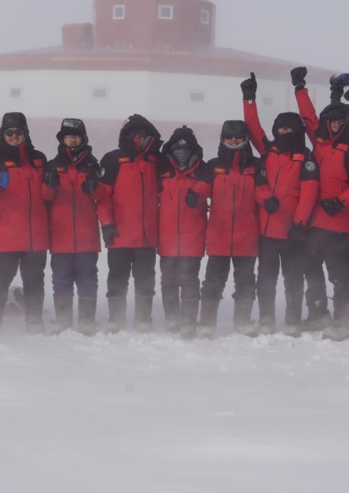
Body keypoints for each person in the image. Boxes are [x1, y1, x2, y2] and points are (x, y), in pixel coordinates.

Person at [295, 71, 349, 340]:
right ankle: (318, 315)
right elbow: (309, 117)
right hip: (314, 224)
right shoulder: (319, 143)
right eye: (332, 121)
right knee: (311, 271)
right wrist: (299, 88)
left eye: (341, 121)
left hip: (337, 223)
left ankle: (344, 320)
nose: (335, 124)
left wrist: (340, 202)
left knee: (340, 276)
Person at [242, 72, 320, 336]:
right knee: (265, 280)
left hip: (293, 233)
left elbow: (309, 192)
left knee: (294, 280)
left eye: (289, 130)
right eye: (280, 129)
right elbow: (254, 129)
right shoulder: (268, 153)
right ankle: (266, 320)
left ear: (298, 132)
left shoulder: (306, 157)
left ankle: (292, 321)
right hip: (266, 233)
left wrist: (299, 223)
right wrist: (249, 99)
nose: (284, 133)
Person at [0, 112, 53, 337]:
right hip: (6, 235)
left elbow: (47, 196)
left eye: (18, 132)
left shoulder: (39, 159)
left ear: (25, 133)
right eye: (9, 132)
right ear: (3, 134)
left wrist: (50, 185)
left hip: (35, 236)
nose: (14, 136)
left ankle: (34, 321)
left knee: (35, 281)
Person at [198, 120, 269, 338]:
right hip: (218, 235)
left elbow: (262, 189)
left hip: (246, 235)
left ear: (245, 138)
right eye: (229, 136)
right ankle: (207, 323)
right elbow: (203, 187)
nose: (234, 140)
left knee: (245, 281)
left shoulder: (255, 166)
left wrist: (268, 199)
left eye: (238, 136)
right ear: (223, 138)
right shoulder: (213, 165)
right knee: (213, 280)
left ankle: (242, 321)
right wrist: (195, 195)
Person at [97, 114, 163, 333]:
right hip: (119, 234)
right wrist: (107, 223)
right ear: (125, 136)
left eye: (142, 134)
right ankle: (116, 319)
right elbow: (103, 197)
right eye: (133, 134)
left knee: (146, 279)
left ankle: (143, 318)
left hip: (147, 236)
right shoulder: (112, 159)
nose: (138, 138)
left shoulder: (156, 160)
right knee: (117, 278)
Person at [44, 118, 104, 335]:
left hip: (87, 235)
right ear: (62, 139)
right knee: (61, 279)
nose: (72, 140)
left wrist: (94, 188)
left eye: (76, 136)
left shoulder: (93, 165)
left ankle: (87, 320)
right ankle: (63, 320)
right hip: (60, 235)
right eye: (68, 136)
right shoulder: (52, 165)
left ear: (83, 138)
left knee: (88, 278)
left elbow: (102, 196)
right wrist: (49, 185)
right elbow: (45, 197)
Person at [156, 126, 211, 338]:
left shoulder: (202, 170)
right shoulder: (161, 169)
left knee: (189, 279)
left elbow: (206, 186)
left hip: (192, 236)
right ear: (171, 150)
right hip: (167, 236)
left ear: (192, 150)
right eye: (178, 148)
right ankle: (172, 320)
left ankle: (188, 321)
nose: (182, 152)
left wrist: (197, 194)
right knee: (168, 279)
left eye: (186, 148)